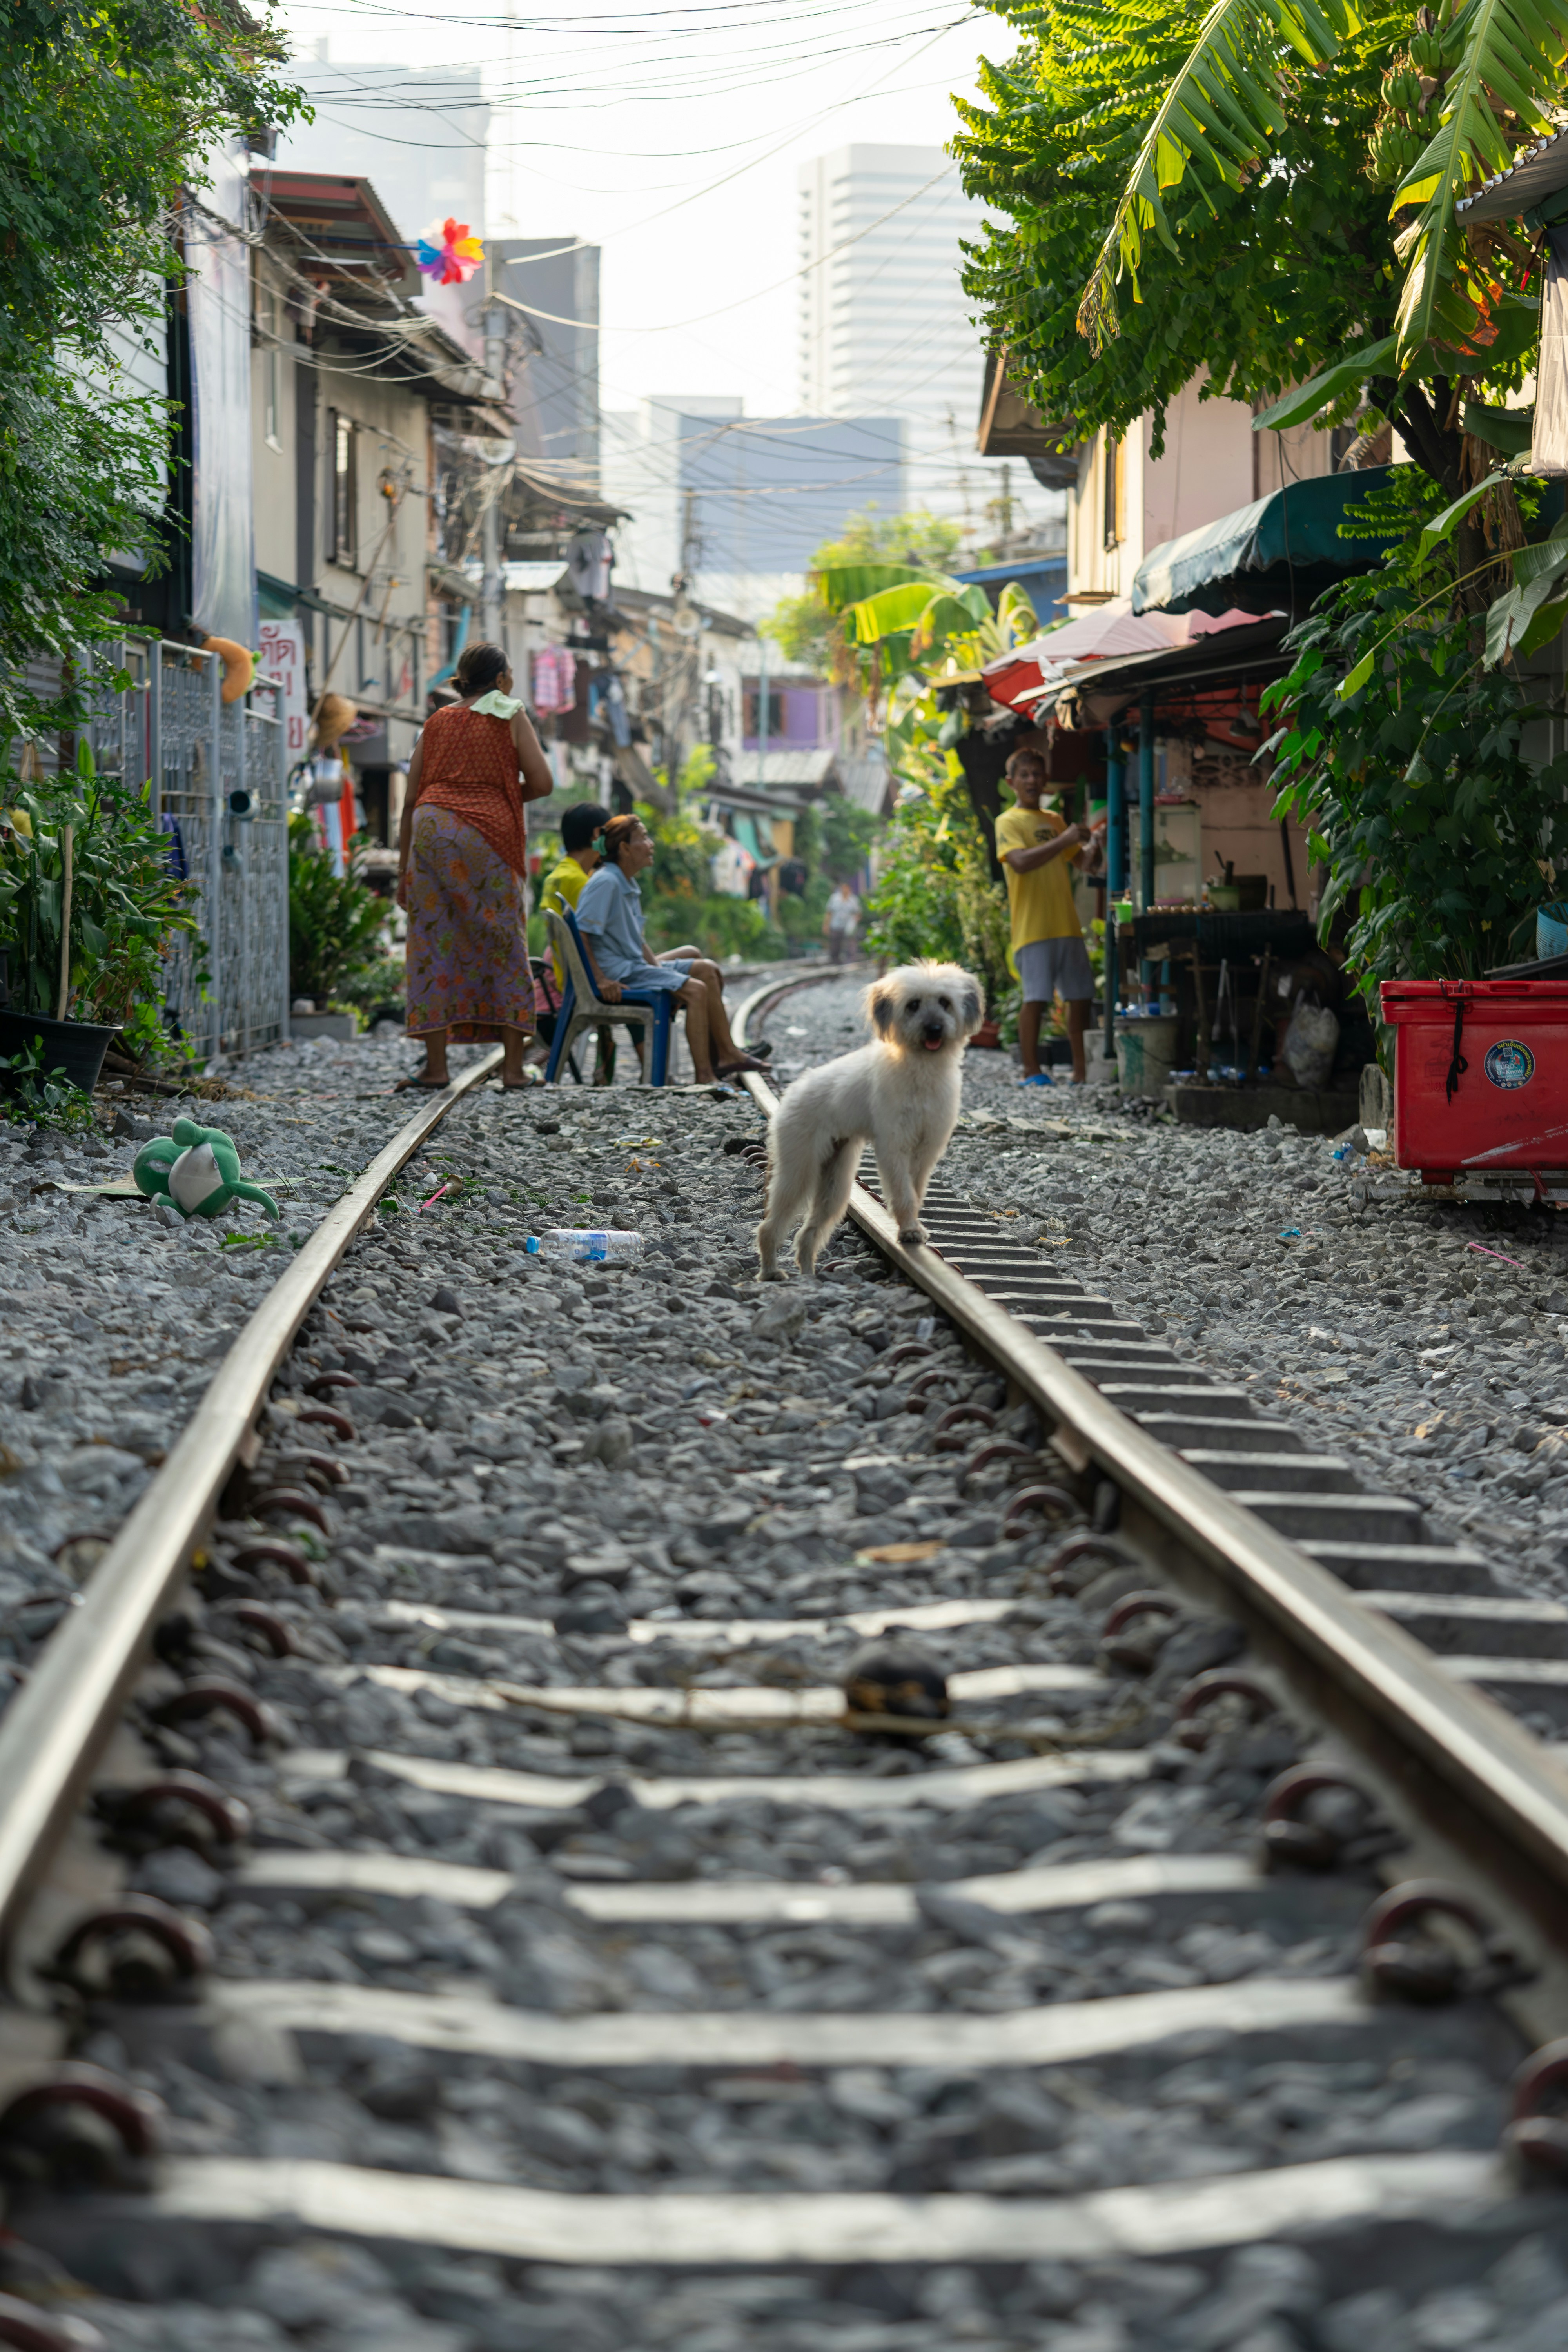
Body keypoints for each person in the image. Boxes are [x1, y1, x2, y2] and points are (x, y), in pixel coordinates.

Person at [396, 642, 553, 1090]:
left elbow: (410, 800)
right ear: (501, 679)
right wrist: (498, 795)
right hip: (489, 835)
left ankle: (436, 1068)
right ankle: (512, 1069)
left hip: (431, 827)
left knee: (431, 943)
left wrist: (405, 870)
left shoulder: (437, 720)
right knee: (503, 939)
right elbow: (541, 783)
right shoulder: (509, 713)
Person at [573, 814, 769, 1082]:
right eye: (644, 838)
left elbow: (637, 940)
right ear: (625, 849)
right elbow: (581, 932)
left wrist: (662, 972)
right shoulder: (607, 882)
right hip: (619, 974)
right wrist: (600, 979)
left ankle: (726, 1054)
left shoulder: (624, 881)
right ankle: (705, 1076)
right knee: (697, 991)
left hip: (634, 967)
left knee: (708, 970)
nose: (651, 844)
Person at [994, 745, 1106, 1087]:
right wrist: (1064, 841)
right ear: (1012, 782)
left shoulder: (1055, 821)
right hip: (1032, 928)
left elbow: (1084, 864)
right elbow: (1020, 862)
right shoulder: (1007, 822)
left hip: (1067, 924)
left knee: (1081, 998)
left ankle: (1080, 1072)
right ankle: (1031, 1071)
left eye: (1037, 774)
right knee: (1036, 1000)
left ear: (1046, 780)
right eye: (1025, 775)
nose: (1032, 780)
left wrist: (1096, 841)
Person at [539, 800, 615, 1082]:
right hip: (585, 980)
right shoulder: (582, 883)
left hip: (566, 976)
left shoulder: (557, 876)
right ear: (598, 835)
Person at [823, 879, 863, 964]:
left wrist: (854, 922)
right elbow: (829, 912)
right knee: (835, 944)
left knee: (850, 945)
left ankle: (850, 961)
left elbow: (858, 914)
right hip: (836, 925)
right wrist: (826, 925)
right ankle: (835, 961)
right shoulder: (834, 898)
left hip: (848, 927)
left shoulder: (854, 900)